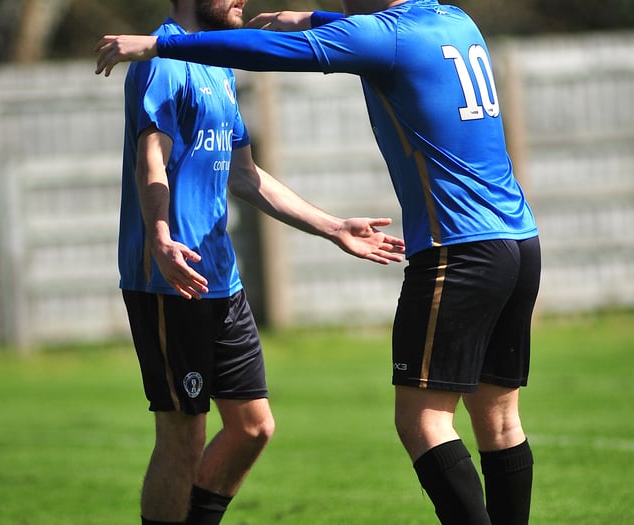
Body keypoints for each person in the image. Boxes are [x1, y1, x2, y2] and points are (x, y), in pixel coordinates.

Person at [95, 1, 541, 524]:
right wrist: (312, 17)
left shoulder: (379, 39)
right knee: (500, 420)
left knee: (424, 424)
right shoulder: (454, 20)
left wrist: (161, 42)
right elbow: (368, 31)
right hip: (519, 243)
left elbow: (282, 54)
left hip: (458, 248)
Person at [95, 2, 405, 525]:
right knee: (183, 431)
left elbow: (244, 174)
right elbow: (152, 157)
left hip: (222, 280)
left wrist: (331, 227)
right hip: (173, 278)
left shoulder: (217, 63)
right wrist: (161, 237)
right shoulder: (162, 60)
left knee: (252, 428)